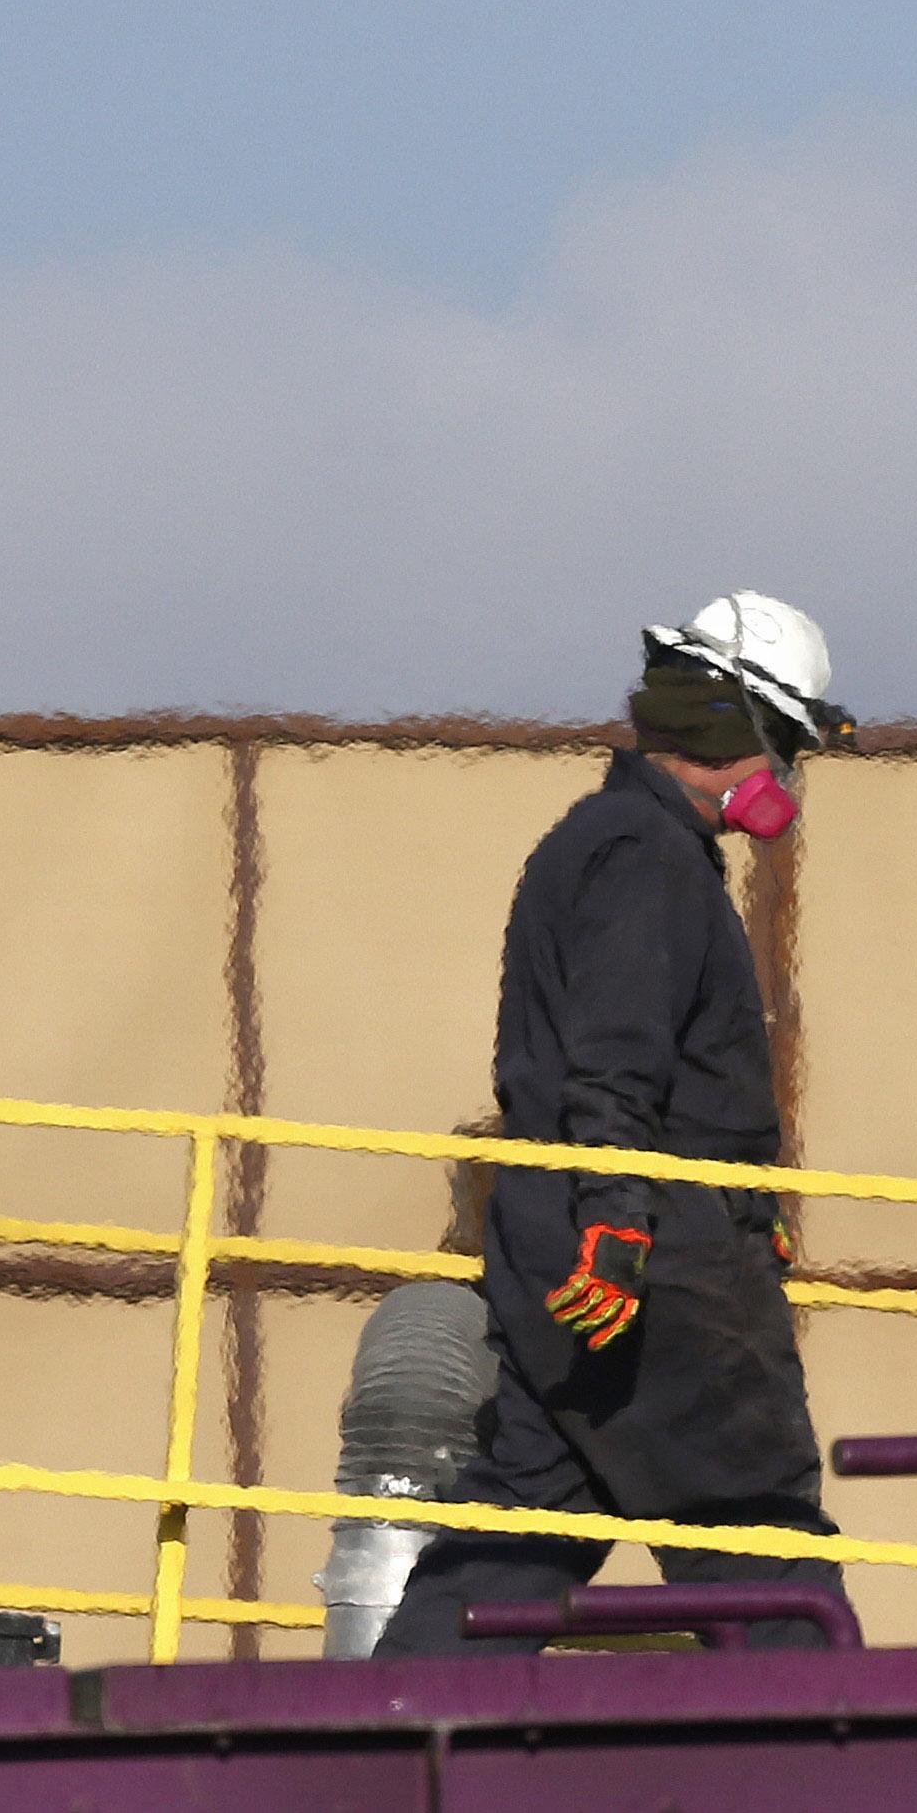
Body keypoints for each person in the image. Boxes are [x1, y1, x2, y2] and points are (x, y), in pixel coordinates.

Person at [375, 591, 858, 1655]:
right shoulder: (646, 861)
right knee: (758, 1528)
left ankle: (375, 1736)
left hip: (590, 1242)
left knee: (524, 1529)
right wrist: (623, 1224)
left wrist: (741, 1199)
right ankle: (846, 1766)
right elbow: (616, 1064)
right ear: (740, 729)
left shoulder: (607, 842)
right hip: (658, 1268)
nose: (784, 776)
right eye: (784, 745)